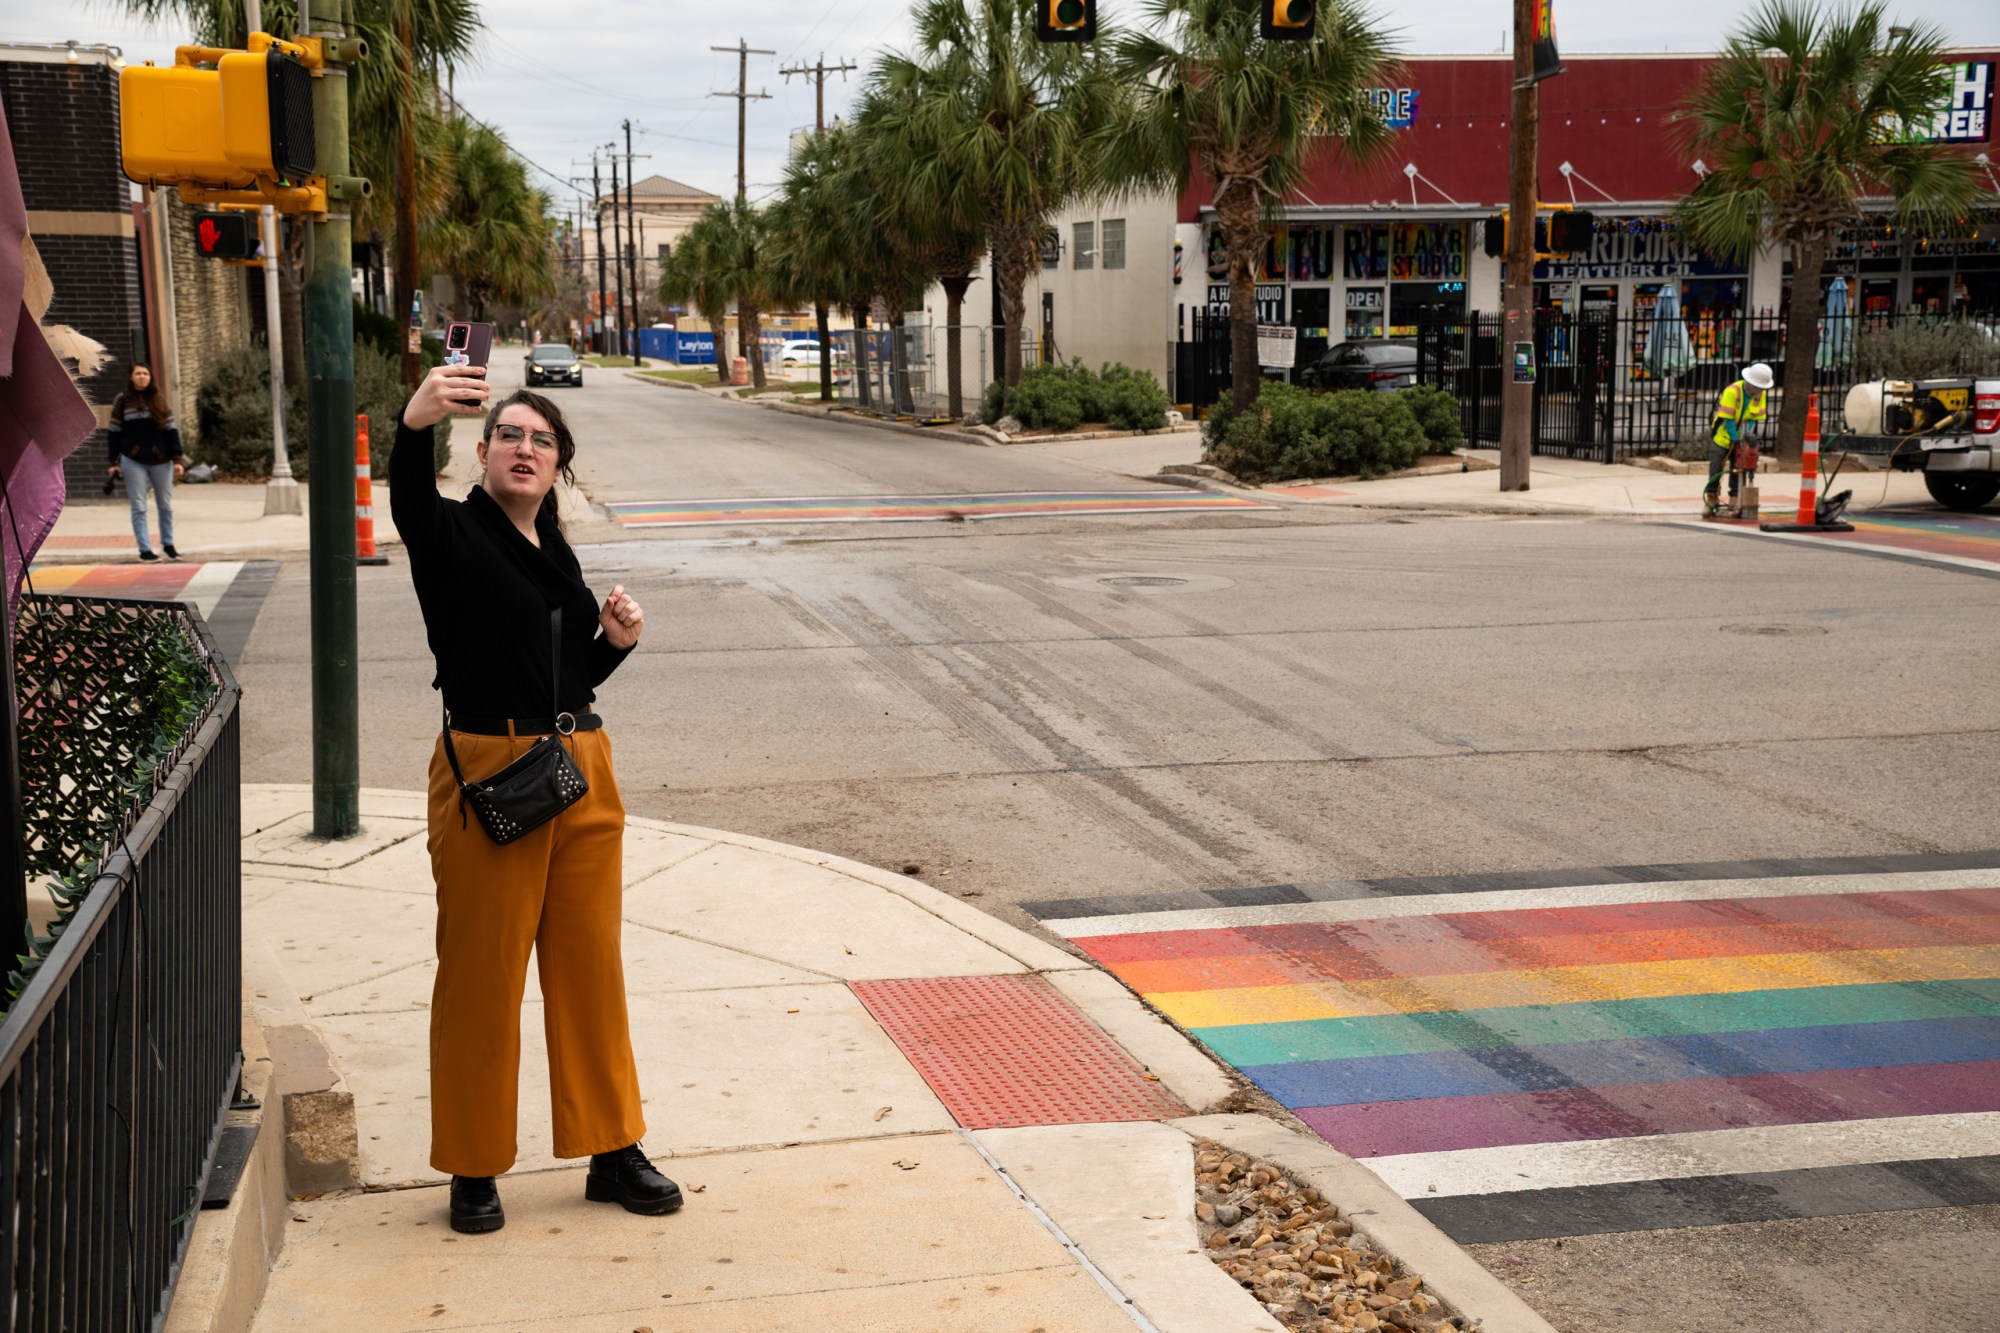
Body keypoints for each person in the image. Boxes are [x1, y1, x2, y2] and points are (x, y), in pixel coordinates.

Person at [392, 362, 681, 1236]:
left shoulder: (554, 548)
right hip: (491, 774)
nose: (525, 448)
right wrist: (415, 423)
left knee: (591, 971)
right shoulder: (449, 533)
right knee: (481, 978)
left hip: (577, 766)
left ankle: (611, 1147)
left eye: (542, 440)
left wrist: (612, 644)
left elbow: (560, 676)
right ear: (482, 451)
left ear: (559, 465)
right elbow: (408, 495)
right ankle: (474, 1162)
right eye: (511, 435)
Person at [106, 365, 184, 560]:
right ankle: (145, 549)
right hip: (132, 461)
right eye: (138, 373)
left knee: (165, 505)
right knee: (139, 506)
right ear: (131, 377)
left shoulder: (159, 399)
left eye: (145, 373)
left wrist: (177, 458)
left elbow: (171, 430)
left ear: (150, 377)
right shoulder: (122, 400)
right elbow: (114, 432)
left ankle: (168, 545)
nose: (142, 377)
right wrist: (113, 462)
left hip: (161, 460)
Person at [1704, 362, 1771, 517]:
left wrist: (1745, 438)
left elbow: (1754, 419)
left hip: (1741, 439)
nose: (1760, 390)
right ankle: (1711, 501)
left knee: (1738, 470)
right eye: (1758, 387)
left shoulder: (1760, 395)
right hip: (1722, 437)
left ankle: (1734, 501)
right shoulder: (1732, 391)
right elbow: (1727, 419)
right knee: (1715, 468)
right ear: (1750, 382)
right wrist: (1735, 438)